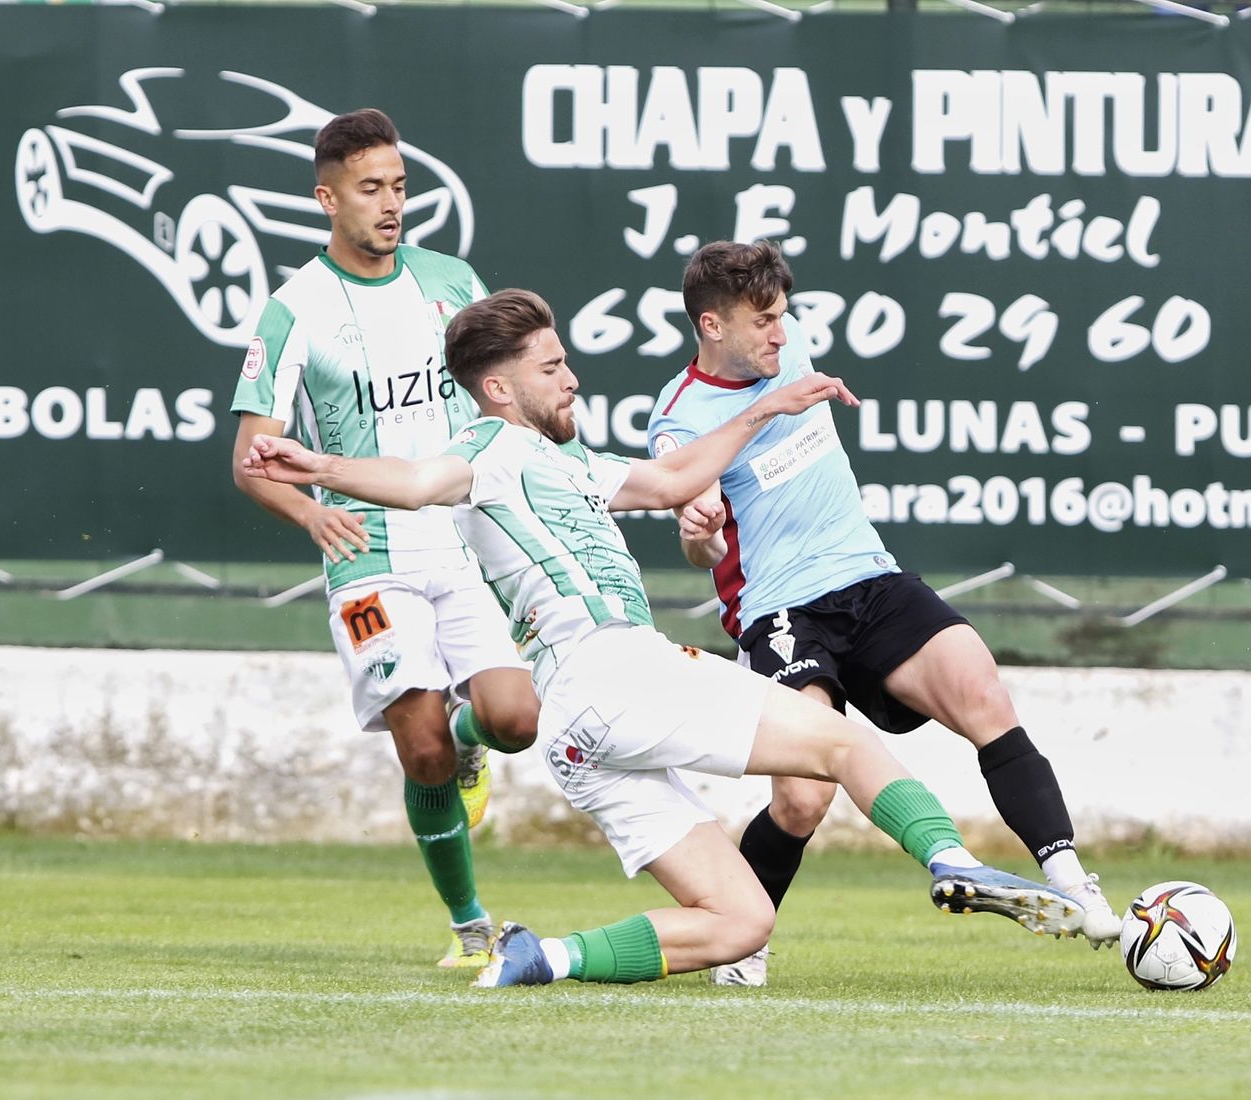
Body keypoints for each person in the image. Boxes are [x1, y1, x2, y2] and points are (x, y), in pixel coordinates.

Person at [241, 288, 1088, 988]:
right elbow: (420, 480)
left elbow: (677, 476)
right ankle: (952, 861)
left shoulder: (572, 462)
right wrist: (324, 470)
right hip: (609, 670)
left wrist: (768, 407)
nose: (571, 378)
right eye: (552, 367)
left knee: (740, 920)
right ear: (500, 388)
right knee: (838, 743)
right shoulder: (488, 447)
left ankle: (542, 957)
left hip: (578, 730)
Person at [648, 240, 1123, 986]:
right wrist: (697, 533)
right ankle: (738, 939)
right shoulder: (677, 418)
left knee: (981, 690)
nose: (781, 332)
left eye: (784, 315)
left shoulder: (789, 345)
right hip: (780, 611)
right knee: (803, 799)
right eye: (763, 320)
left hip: (868, 578)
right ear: (712, 326)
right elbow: (696, 537)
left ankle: (1069, 881)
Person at [229, 108, 539, 970]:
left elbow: (500, 397)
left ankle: (474, 739)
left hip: (459, 545)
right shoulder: (295, 310)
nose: (391, 204)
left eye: (399, 186)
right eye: (371, 189)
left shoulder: (451, 280)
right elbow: (252, 460)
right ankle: (470, 924)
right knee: (422, 740)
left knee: (514, 719)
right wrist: (309, 511)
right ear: (327, 198)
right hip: (368, 564)